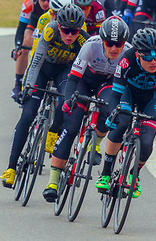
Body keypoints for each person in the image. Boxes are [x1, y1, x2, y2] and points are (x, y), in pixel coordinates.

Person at [42, 16, 131, 202]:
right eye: (110, 43)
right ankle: (53, 182)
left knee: (111, 112)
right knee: (71, 127)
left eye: (119, 44)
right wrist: (68, 100)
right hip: (84, 80)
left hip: (108, 83)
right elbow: (73, 78)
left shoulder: (129, 52)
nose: (114, 48)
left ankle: (94, 142)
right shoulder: (91, 45)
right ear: (102, 40)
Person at [1, 4, 88, 188]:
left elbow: (81, 72)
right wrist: (28, 87)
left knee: (67, 102)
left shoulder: (83, 39)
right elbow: (35, 61)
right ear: (58, 25)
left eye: (74, 31)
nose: (70, 35)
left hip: (63, 73)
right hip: (43, 69)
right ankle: (11, 168)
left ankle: (52, 131)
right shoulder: (50, 30)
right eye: (66, 31)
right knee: (28, 114)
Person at [95, 28, 156, 197]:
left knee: (147, 142)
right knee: (122, 123)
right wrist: (112, 114)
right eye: (147, 56)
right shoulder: (126, 60)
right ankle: (106, 173)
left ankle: (134, 175)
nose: (153, 61)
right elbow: (115, 95)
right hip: (128, 93)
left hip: (153, 97)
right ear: (138, 55)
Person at [11, 0, 59, 102]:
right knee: (25, 43)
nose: (46, 3)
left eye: (49, 0)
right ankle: (18, 83)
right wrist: (18, 46)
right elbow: (21, 27)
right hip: (35, 21)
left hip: (53, 25)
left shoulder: (60, 2)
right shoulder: (29, 1)